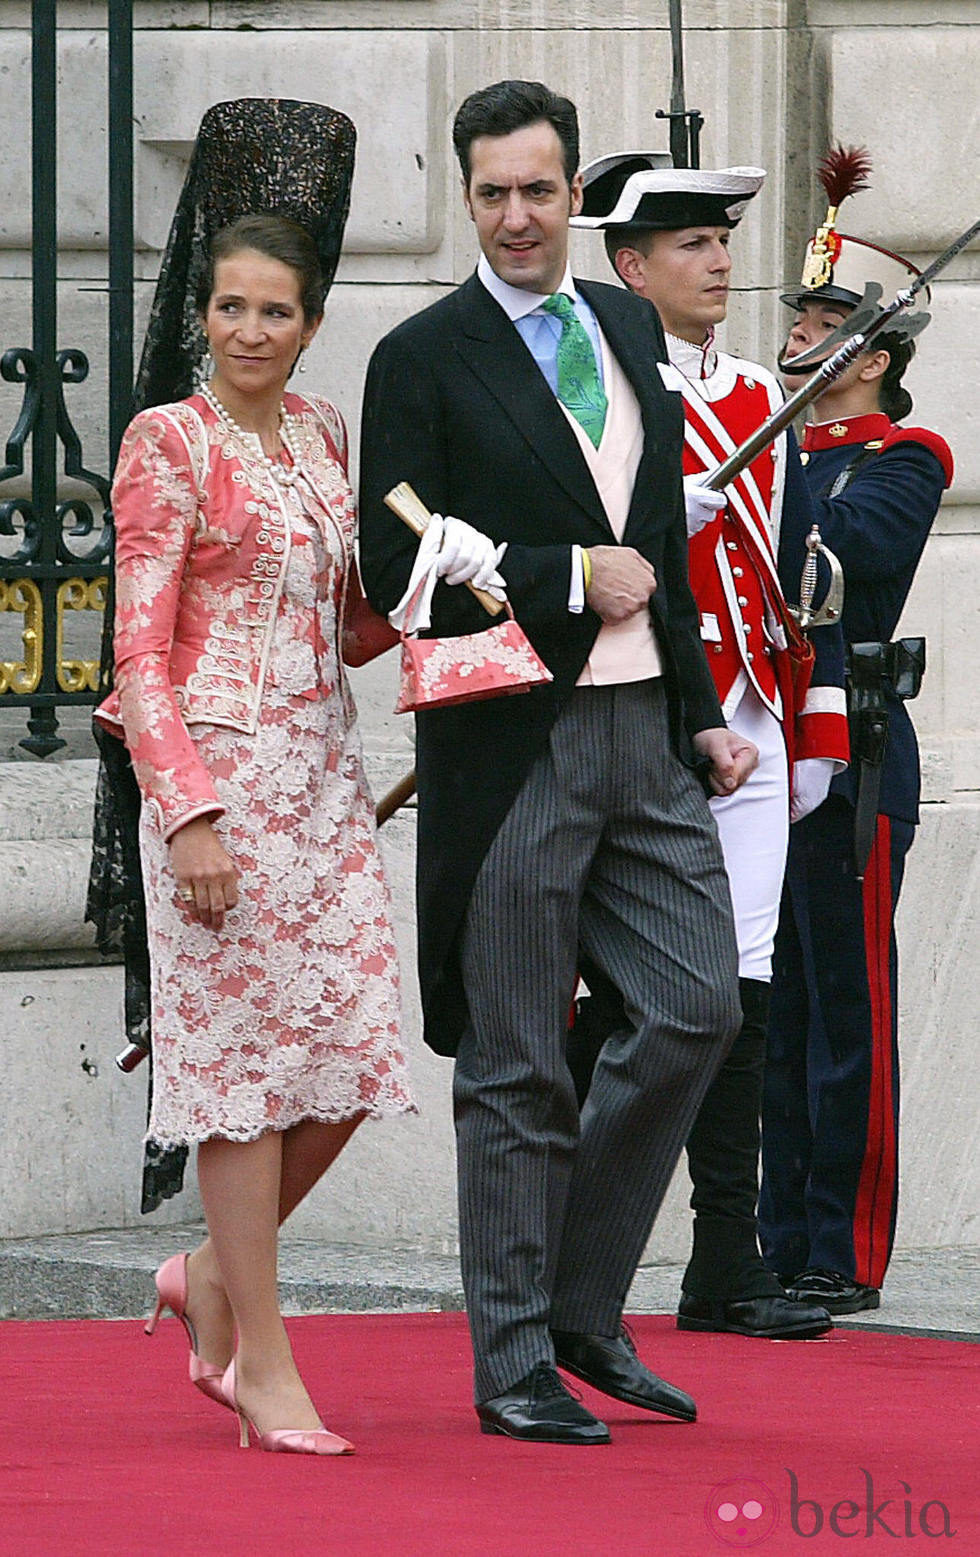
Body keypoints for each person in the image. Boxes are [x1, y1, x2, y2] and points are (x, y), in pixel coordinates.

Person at [358, 80, 757, 1445]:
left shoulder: (628, 322)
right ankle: (514, 1353)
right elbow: (391, 561)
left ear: (577, 195)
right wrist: (561, 571)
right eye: (493, 193)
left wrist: (703, 708)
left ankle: (582, 1300)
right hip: (513, 743)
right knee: (520, 1063)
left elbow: (666, 539)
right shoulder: (422, 354)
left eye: (541, 190)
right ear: (466, 199)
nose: (519, 216)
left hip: (650, 739)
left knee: (698, 1008)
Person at [95, 197, 415, 1453]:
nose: (248, 328)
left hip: (325, 780)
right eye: (230, 306)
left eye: (273, 311)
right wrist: (185, 817)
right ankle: (260, 1367)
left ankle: (213, 1276)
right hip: (216, 790)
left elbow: (339, 626)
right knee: (240, 1080)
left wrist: (431, 592)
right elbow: (135, 650)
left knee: (352, 1051)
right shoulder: (165, 443)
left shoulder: (325, 434)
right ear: (204, 314)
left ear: (310, 325)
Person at [569, 155, 850, 1339]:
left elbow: (794, 582)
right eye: (691, 244)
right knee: (614, 998)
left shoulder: (749, 395)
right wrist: (638, 517)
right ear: (631, 267)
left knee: (743, 993)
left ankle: (720, 1265)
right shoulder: (596, 391)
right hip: (635, 713)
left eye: (722, 240)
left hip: (746, 715)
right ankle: (558, 1252)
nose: (721, 261)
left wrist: (811, 724)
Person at [759, 149, 953, 1315]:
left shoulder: (900, 459)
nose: (798, 334)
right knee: (767, 1009)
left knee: (845, 1010)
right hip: (759, 755)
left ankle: (840, 1243)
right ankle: (768, 1237)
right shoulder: (757, 452)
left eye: (826, 322)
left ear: (870, 356)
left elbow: (841, 570)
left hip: (855, 754)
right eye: (798, 315)